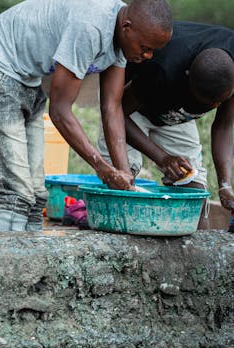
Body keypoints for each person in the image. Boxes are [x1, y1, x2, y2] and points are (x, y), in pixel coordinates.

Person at [0, 0, 173, 232]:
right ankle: (3, 259)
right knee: (15, 195)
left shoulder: (123, 37)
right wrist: (102, 168)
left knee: (36, 195)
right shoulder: (91, 27)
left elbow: (112, 107)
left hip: (27, 79)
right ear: (127, 27)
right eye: (145, 48)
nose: (148, 56)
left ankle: (32, 261)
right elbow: (60, 111)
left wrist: (124, 176)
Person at [97, 21, 234, 230]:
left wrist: (225, 183)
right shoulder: (163, 67)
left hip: (174, 115)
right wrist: (162, 158)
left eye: (218, 102)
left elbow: (224, 125)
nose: (214, 107)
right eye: (206, 103)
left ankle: (196, 259)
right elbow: (117, 114)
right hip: (130, 109)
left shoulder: (228, 70)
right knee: (123, 185)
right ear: (187, 78)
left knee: (195, 194)